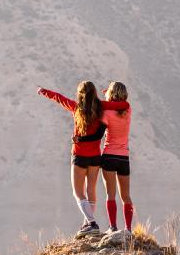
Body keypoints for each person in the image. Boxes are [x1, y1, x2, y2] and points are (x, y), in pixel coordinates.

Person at [37, 81, 130, 237]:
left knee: (78, 193)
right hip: (95, 157)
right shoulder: (101, 108)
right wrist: (110, 97)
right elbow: (122, 105)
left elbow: (59, 98)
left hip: (79, 156)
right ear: (94, 94)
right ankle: (87, 223)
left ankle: (91, 222)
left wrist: (43, 90)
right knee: (91, 190)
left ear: (80, 95)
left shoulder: (76, 108)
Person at [100, 81, 134, 235]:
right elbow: (118, 104)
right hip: (123, 157)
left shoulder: (106, 113)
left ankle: (112, 226)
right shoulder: (128, 110)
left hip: (108, 155)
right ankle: (128, 229)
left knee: (110, 194)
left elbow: (100, 131)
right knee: (126, 196)